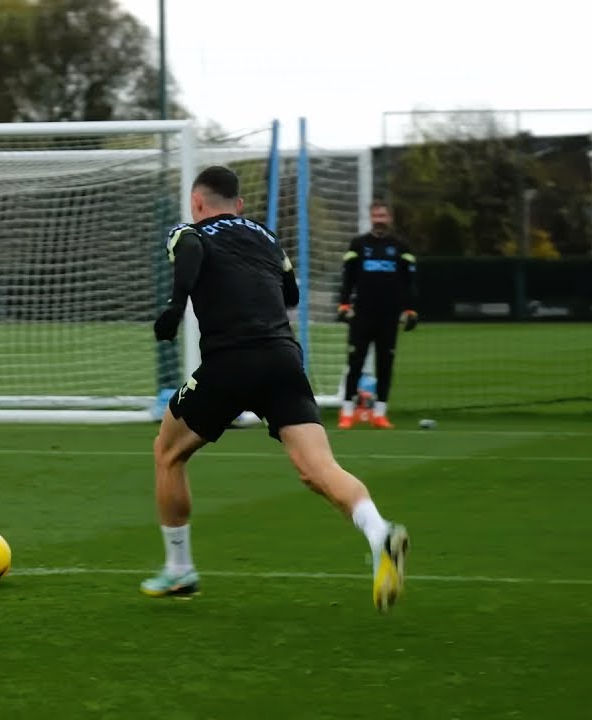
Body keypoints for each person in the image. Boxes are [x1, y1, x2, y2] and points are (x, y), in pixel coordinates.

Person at [146, 165, 410, 612]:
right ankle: (379, 531)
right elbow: (291, 293)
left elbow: (189, 250)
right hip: (284, 360)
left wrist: (176, 306)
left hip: (230, 361)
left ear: (197, 202)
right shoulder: (267, 237)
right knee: (318, 469)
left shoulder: (188, 231)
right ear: (240, 205)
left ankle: (179, 569)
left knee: (168, 452)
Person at [335, 201, 418, 430]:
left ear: (389, 218)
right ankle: (347, 412)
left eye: (383, 215)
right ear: (371, 217)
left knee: (385, 363)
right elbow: (348, 278)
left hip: (389, 315)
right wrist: (343, 304)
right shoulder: (359, 244)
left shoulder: (401, 246)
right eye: (376, 215)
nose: (379, 219)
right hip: (362, 313)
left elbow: (409, 282)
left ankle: (380, 413)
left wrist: (410, 309)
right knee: (355, 362)